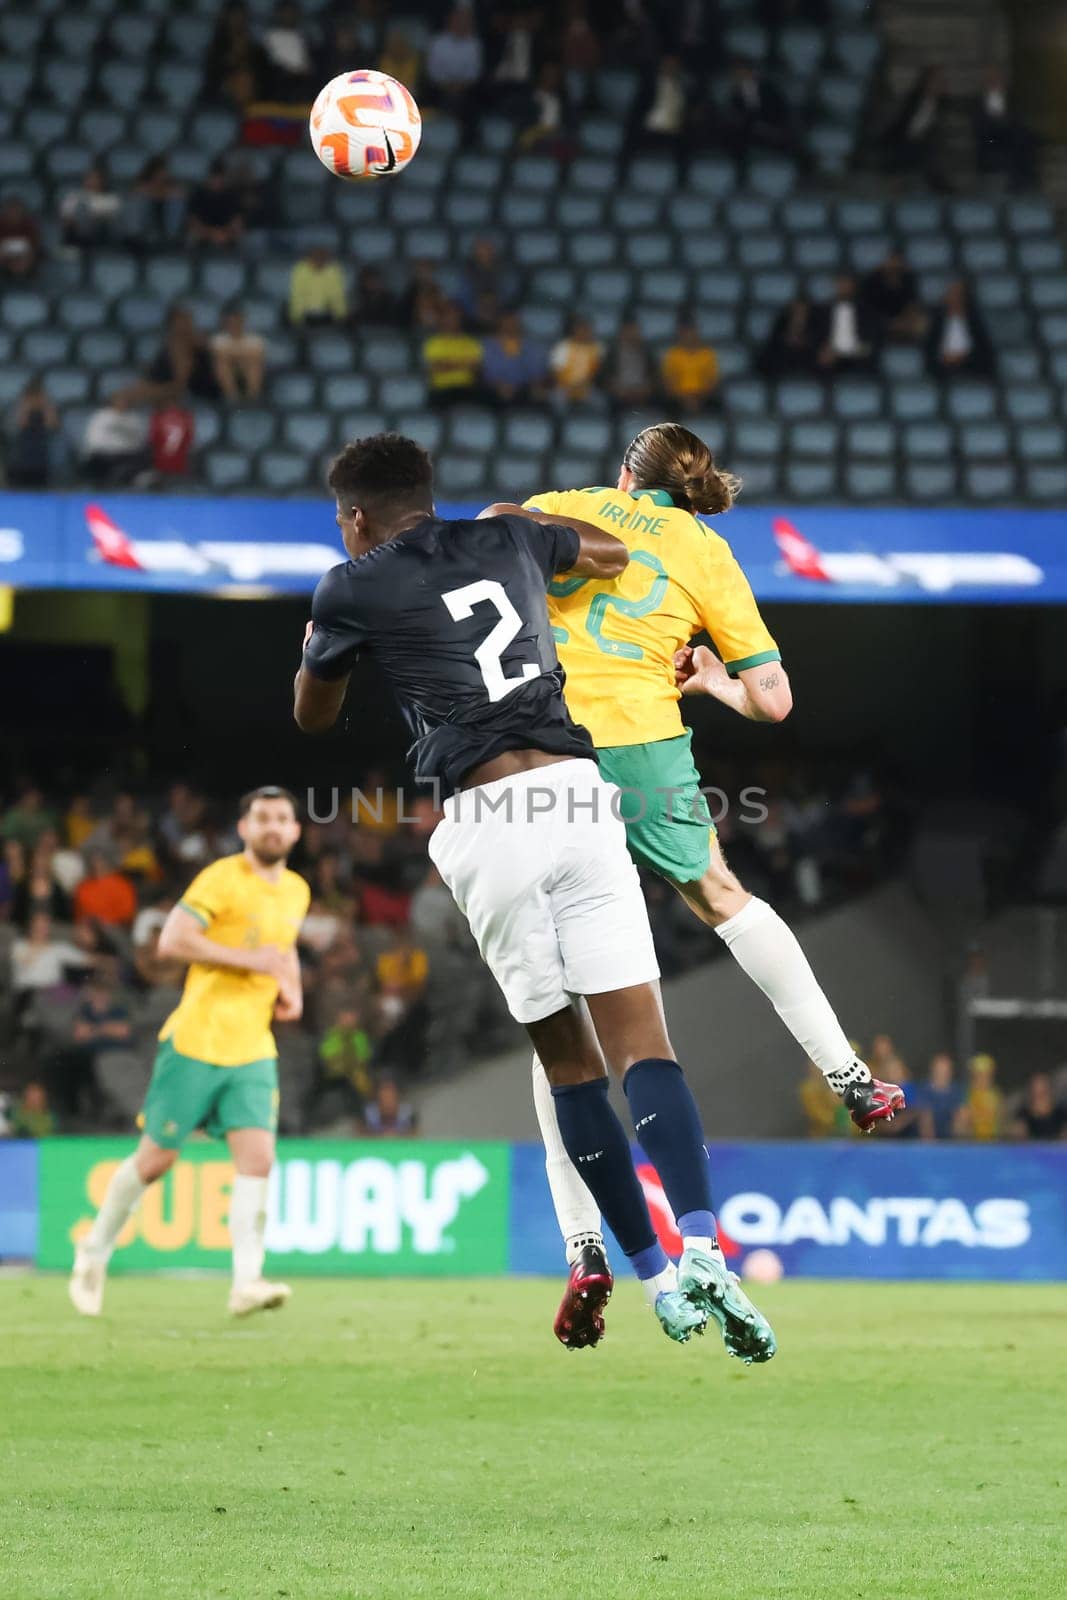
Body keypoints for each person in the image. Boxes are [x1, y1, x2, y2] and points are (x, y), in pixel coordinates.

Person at [294, 432, 776, 1359]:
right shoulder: (506, 538)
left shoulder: (348, 584)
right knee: (647, 1044)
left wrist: (318, 647)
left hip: (486, 816)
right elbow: (612, 552)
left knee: (570, 1065)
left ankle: (656, 1280)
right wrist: (531, 522)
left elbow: (314, 716)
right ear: (428, 493)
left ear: (354, 517)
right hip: (579, 796)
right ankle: (707, 1243)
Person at [513, 424, 904, 1340]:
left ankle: (584, 1246)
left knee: (557, 1018)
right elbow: (774, 700)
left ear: (623, 476)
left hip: (542, 757)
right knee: (724, 897)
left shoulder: (559, 507)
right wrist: (711, 685)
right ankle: (849, 1076)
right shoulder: (706, 550)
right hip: (643, 748)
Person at [69, 788, 310, 1320]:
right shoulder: (221, 878)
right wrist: (252, 961)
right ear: (244, 828)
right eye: (262, 818)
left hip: (251, 1048)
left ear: (295, 831)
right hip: (197, 1040)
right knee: (156, 1160)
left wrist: (291, 987)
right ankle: (93, 1252)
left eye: (282, 819)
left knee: (259, 1159)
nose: (273, 827)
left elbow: (283, 947)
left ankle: (246, 1282)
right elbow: (172, 941)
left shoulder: (295, 889)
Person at [973, 66, 1037, 191]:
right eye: (991, 79)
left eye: (997, 78)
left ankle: (1025, 181)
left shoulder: (1012, 100)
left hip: (1010, 142)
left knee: (1024, 138)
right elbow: (980, 130)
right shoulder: (977, 103)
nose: (995, 81)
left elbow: (1018, 123)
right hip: (990, 144)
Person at [885, 65, 949, 187]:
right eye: (936, 81)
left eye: (941, 82)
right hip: (905, 140)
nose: (940, 85)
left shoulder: (943, 105)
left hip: (925, 144)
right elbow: (900, 123)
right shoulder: (913, 100)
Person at [424, 7, 484, 136]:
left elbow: (474, 72)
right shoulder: (437, 42)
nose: (461, 24)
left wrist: (460, 86)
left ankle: (466, 142)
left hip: (465, 89)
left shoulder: (475, 44)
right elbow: (433, 70)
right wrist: (447, 85)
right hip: (439, 87)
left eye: (465, 21)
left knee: (471, 102)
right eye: (458, 20)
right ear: (450, 21)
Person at [926, 279, 994, 378]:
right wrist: (945, 359)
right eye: (951, 295)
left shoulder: (975, 322)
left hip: (970, 370)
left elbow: (984, 351)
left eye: (958, 295)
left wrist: (963, 358)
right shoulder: (937, 322)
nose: (954, 298)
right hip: (943, 371)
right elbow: (930, 350)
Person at [422, 301, 483, 407]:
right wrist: (464, 364)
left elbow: (476, 368)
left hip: (466, 389)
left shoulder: (471, 342)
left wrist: (449, 363)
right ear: (442, 319)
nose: (452, 319)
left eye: (456, 316)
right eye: (449, 316)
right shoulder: (433, 342)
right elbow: (437, 367)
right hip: (442, 389)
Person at [860, 249, 927, 343]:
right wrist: (887, 323)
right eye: (892, 261)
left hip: (902, 321)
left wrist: (902, 321)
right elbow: (867, 307)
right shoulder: (872, 279)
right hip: (878, 320)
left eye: (898, 262)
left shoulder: (909, 279)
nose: (894, 266)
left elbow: (912, 305)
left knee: (920, 324)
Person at [481, 312, 548, 404]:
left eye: (514, 323)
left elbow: (537, 373)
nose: (510, 327)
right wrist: (499, 385)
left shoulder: (532, 346)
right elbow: (488, 372)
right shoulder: (488, 345)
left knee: (539, 394)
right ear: (499, 324)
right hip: (495, 387)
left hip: (525, 387)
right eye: (507, 323)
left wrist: (536, 385)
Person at [815, 276, 879, 374]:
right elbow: (818, 335)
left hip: (857, 357)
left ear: (853, 286)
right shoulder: (823, 309)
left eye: (846, 283)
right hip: (830, 358)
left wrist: (841, 352)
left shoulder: (865, 311)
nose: (843, 287)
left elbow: (870, 342)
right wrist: (825, 351)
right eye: (841, 283)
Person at [7, 378, 60, 488]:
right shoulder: (19, 407)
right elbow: (21, 424)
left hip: (42, 454)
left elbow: (52, 426)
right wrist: (26, 407)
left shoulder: (47, 409)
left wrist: (45, 406)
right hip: (22, 453)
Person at [124, 157, 186, 250]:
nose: (163, 175)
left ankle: (172, 237)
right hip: (144, 229)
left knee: (176, 202)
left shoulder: (173, 190)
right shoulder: (139, 189)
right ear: (153, 173)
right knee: (136, 201)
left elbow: (180, 194)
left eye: (164, 172)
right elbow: (137, 193)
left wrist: (164, 194)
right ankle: (136, 235)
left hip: (165, 230)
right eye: (160, 172)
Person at [660, 317, 720, 412]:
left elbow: (712, 382)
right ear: (680, 334)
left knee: (718, 404)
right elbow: (668, 382)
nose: (689, 335)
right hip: (678, 398)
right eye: (685, 332)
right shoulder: (672, 354)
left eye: (692, 331)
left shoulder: (708, 354)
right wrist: (684, 399)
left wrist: (699, 398)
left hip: (703, 397)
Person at [59, 164, 122, 250]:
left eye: (96, 178)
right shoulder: (73, 197)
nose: (92, 181)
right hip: (76, 235)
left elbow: (112, 221)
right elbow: (66, 219)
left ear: (103, 180)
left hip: (101, 238)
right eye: (89, 178)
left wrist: (91, 217)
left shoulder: (112, 200)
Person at [186, 160, 245, 250]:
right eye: (214, 178)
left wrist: (225, 233)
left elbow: (237, 222)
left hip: (226, 233)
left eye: (219, 178)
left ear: (224, 178)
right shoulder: (198, 194)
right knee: (192, 236)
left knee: (242, 236)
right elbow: (193, 222)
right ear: (208, 178)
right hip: (204, 232)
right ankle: (193, 262)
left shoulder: (232, 195)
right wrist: (212, 234)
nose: (216, 181)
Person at [211, 307, 265, 401]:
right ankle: (232, 397)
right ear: (226, 323)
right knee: (221, 364)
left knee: (254, 364)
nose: (235, 325)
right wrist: (243, 355)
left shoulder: (254, 339)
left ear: (242, 322)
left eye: (237, 322)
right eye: (231, 322)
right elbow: (219, 355)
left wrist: (232, 355)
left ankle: (252, 396)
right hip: (229, 369)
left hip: (246, 367)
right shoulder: (218, 339)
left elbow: (257, 356)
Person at [758, 295, 818, 378]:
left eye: (802, 311)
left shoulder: (816, 333)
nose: (799, 315)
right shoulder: (779, 332)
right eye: (796, 311)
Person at [549, 317, 604, 406]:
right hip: (565, 386)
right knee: (557, 399)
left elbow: (597, 372)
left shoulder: (597, 348)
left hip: (587, 387)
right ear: (574, 331)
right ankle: (560, 419)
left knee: (600, 402)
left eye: (586, 330)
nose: (583, 333)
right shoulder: (563, 347)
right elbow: (555, 371)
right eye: (580, 330)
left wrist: (584, 385)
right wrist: (568, 385)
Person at [289, 245, 348, 326]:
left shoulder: (334, 270)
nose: (319, 261)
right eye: (316, 258)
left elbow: (337, 295)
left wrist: (341, 316)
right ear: (310, 258)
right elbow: (297, 295)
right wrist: (296, 318)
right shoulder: (300, 269)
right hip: (306, 315)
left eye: (322, 258)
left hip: (327, 314)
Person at [605, 319, 657, 409]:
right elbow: (604, 377)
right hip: (619, 392)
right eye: (628, 331)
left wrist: (647, 389)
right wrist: (617, 389)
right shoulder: (612, 353)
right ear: (621, 333)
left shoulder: (647, 352)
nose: (631, 334)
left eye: (634, 331)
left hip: (643, 392)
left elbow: (655, 375)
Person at [914, 1052, 963, 1140]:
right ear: (933, 1070)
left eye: (945, 1070)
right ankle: (930, 1150)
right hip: (928, 1136)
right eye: (939, 1069)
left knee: (964, 1114)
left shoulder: (956, 1091)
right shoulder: (924, 1089)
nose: (942, 1073)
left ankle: (959, 1148)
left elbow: (960, 1113)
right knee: (925, 1115)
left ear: (950, 1072)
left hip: (950, 1133)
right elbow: (922, 1114)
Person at [957, 1053, 1002, 1141]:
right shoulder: (967, 1094)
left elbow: (1001, 1119)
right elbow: (962, 1122)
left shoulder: (996, 1094)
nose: (982, 1078)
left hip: (995, 1142)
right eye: (978, 1074)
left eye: (986, 1074)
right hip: (973, 1143)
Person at [1011, 1072, 1066, 1141]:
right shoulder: (1024, 1114)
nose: (1040, 1098)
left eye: (1043, 1093)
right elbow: (1018, 1135)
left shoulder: (1061, 1113)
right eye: (1036, 1093)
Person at [0, 195, 41, 278]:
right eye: (11, 210)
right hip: (5, 256)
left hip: (24, 255)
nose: (13, 213)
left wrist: (24, 259)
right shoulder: (1, 223)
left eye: (16, 210)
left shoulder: (29, 224)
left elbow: (34, 245)